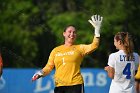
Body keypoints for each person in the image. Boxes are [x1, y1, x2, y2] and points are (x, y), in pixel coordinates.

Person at [31, 14, 103, 93]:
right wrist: (40, 73)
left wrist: (97, 31)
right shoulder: (55, 50)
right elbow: (49, 67)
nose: (72, 34)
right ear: (64, 34)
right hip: (59, 86)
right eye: (69, 31)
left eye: (74, 32)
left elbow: (94, 45)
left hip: (76, 85)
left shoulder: (80, 48)